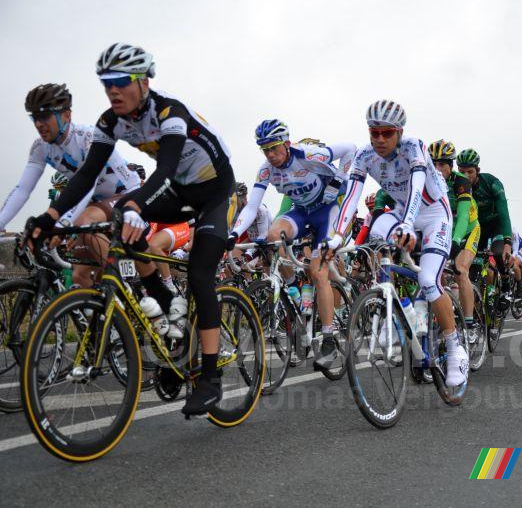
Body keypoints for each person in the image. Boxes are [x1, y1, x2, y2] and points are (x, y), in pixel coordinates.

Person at [26, 43, 237, 415]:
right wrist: (49, 218)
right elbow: (87, 174)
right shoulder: (111, 122)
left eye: (120, 82)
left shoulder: (171, 111)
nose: (112, 91)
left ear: (142, 81)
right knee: (122, 210)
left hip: (216, 192)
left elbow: (166, 168)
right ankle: (166, 302)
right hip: (182, 193)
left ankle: (210, 378)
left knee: (202, 273)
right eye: (106, 84)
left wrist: (138, 202)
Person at [327, 99, 469, 387]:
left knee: (429, 279)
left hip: (433, 214)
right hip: (403, 212)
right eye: (374, 132)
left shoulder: (414, 146)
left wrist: (408, 222)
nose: (379, 139)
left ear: (400, 132)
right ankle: (393, 306)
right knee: (377, 236)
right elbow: (352, 197)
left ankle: (455, 348)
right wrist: (338, 236)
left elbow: (417, 186)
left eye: (387, 133)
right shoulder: (365, 155)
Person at [230, 119, 355, 370]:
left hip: (327, 211)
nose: (270, 155)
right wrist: (233, 234)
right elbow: (252, 206)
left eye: (274, 148)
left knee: (318, 271)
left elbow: (351, 148)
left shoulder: (308, 154)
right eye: (265, 150)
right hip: (301, 211)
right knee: (271, 236)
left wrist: (338, 178)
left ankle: (328, 335)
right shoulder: (266, 170)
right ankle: (294, 291)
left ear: (287, 144)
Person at [1, 83, 140, 286]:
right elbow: (22, 190)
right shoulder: (41, 148)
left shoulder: (87, 138)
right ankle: (102, 313)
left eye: (45, 116)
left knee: (84, 221)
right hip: (97, 201)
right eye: (34, 118)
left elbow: (87, 184)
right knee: (79, 276)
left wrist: (60, 224)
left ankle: (127, 283)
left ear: (67, 115)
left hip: (128, 193)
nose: (38, 124)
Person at [428, 139, 482, 342]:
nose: (437, 169)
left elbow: (463, 215)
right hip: (444, 229)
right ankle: (444, 315)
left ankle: (469, 323)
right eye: (433, 164)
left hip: (468, 228)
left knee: (460, 270)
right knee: (433, 271)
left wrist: (457, 239)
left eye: (442, 164)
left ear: (451, 166)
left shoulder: (461, 182)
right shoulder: (427, 180)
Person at [455, 148, 513, 295]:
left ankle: (505, 280)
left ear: (478, 170)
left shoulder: (492, 183)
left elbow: (503, 212)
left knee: (499, 254)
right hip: (476, 228)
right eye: (462, 171)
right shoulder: (457, 185)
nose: (466, 176)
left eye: (470, 172)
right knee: (472, 267)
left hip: (495, 226)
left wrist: (507, 242)